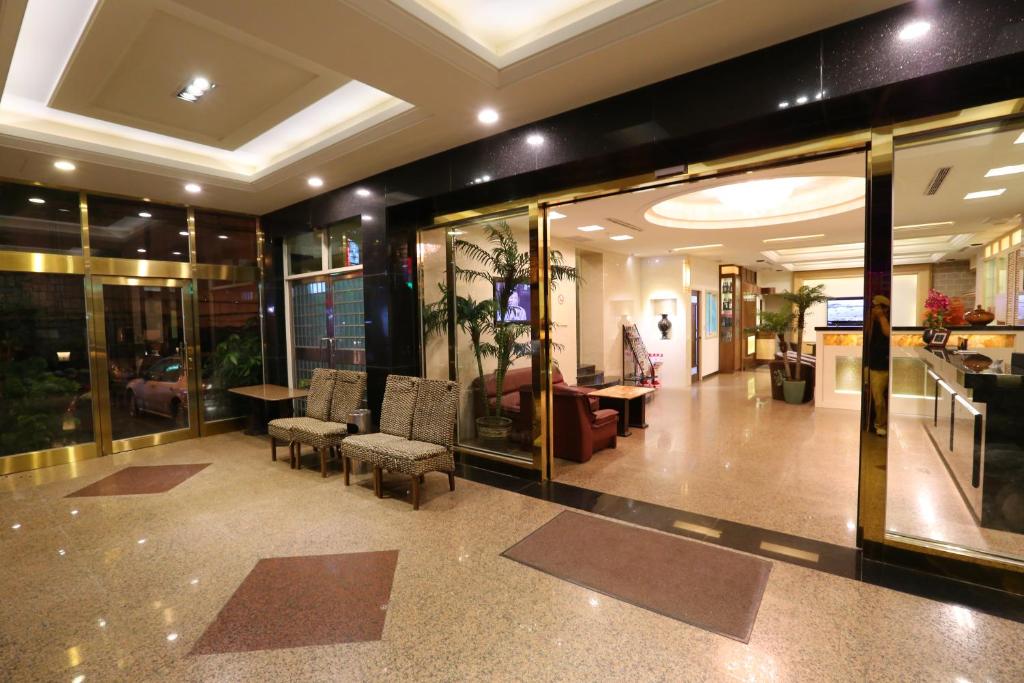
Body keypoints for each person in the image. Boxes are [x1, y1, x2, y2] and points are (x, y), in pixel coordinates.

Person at [867, 294, 891, 436]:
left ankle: (886, 423)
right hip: (876, 365)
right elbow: (867, 334)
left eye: (876, 307)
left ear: (884, 309)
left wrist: (881, 317)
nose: (873, 309)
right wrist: (872, 318)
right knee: (878, 400)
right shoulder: (873, 321)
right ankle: (880, 425)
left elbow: (888, 333)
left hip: (890, 364)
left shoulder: (889, 320)